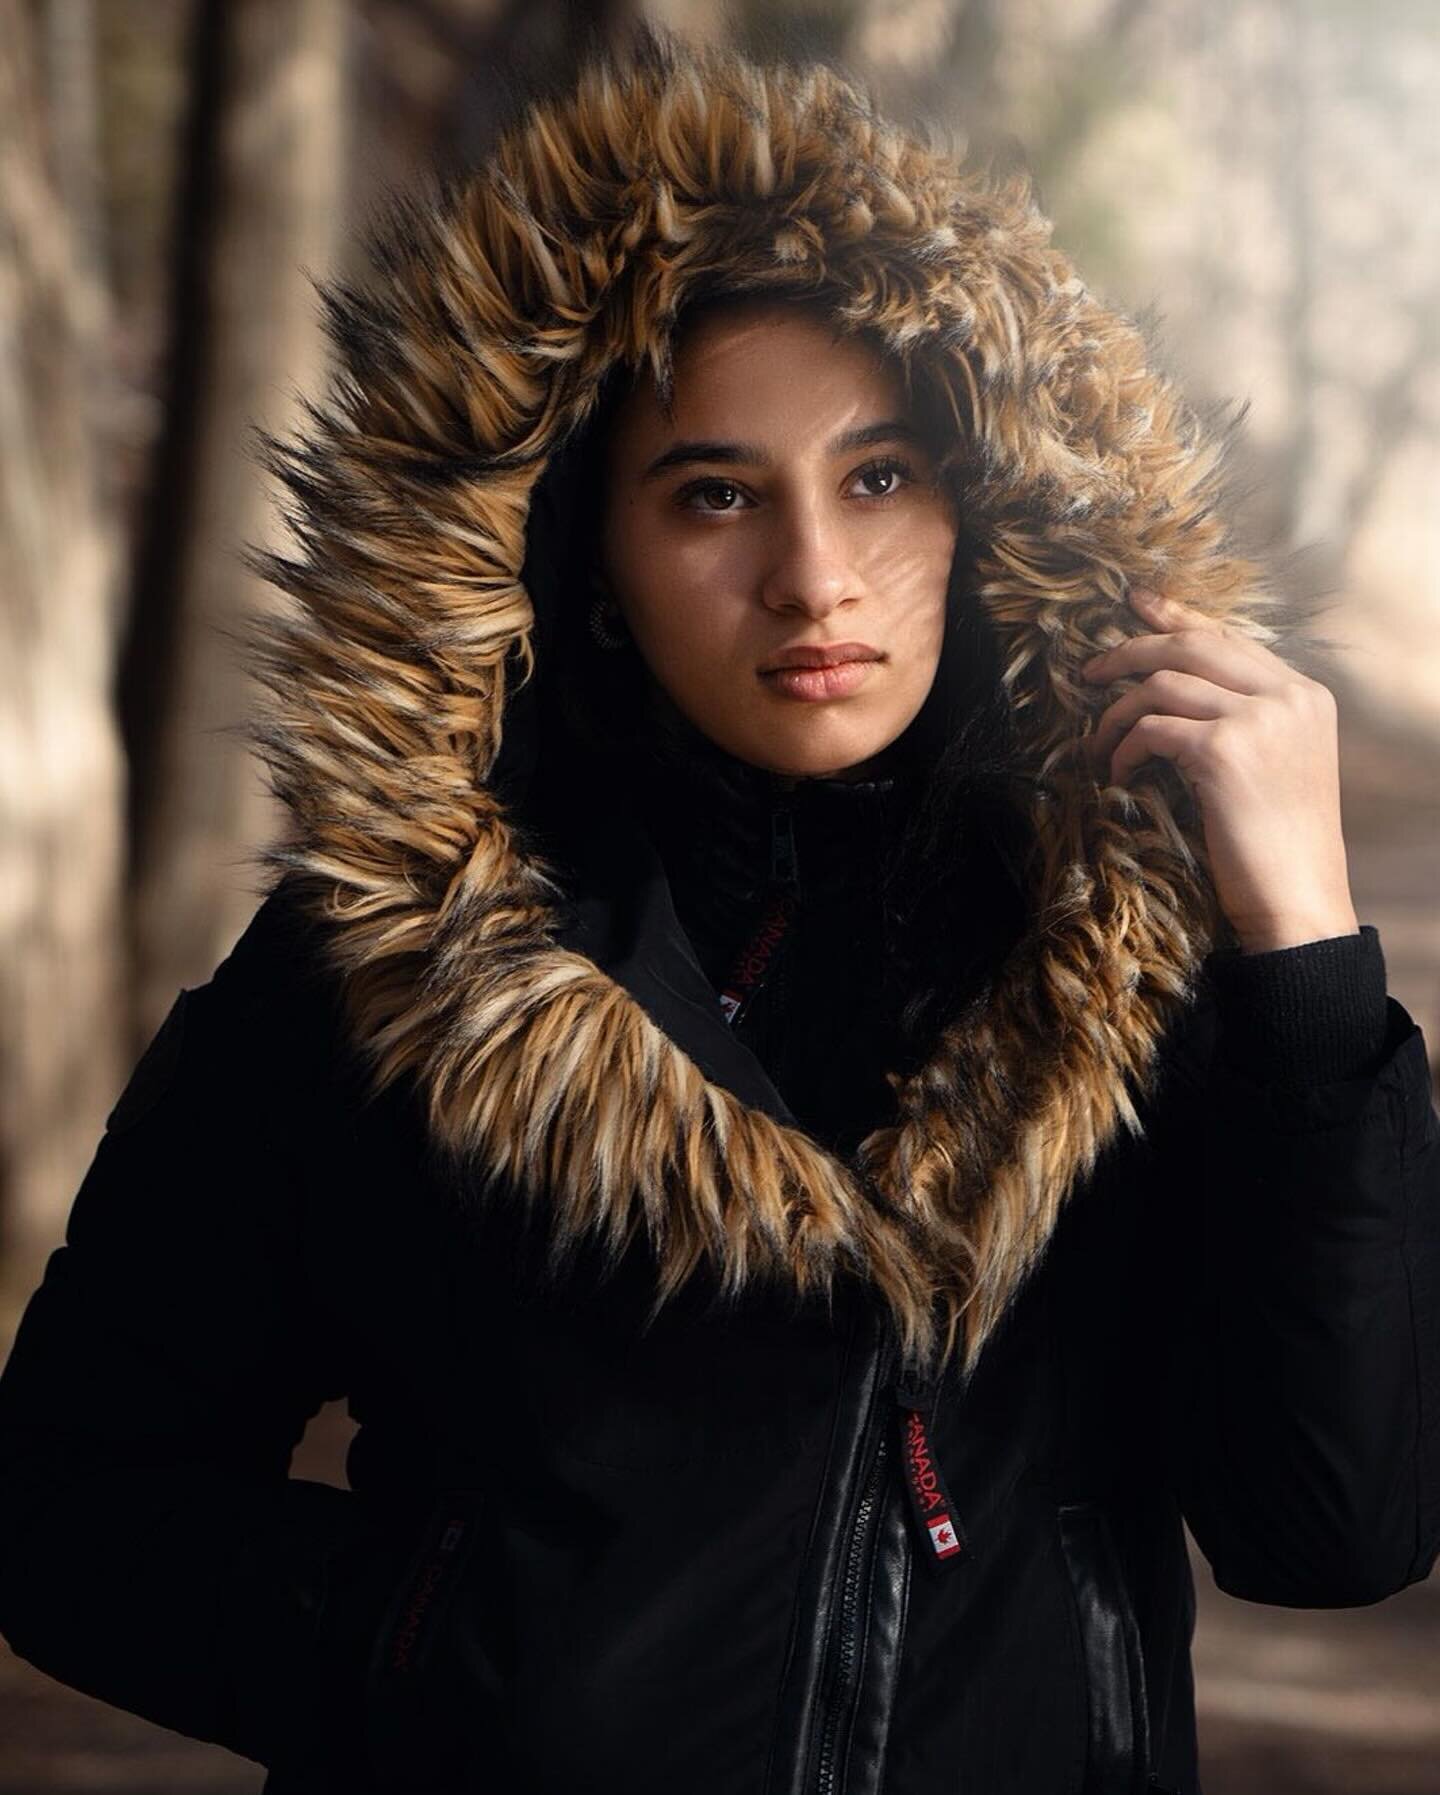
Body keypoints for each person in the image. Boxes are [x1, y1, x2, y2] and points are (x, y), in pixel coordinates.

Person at [0, 25, 1436, 1795]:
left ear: (983, 504)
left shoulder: (1132, 958)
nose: (815, 577)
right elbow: (63, 1500)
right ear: (580, 547)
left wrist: (1302, 954)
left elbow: (1335, 1531)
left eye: (882, 476)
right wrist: (463, 1668)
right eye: (713, 495)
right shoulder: (395, 962)